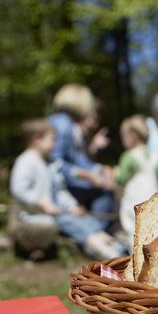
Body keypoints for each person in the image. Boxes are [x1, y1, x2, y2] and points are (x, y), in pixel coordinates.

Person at [11, 118, 127, 259]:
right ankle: (108, 253)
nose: (54, 146)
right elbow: (19, 190)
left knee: (87, 221)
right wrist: (41, 203)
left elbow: (60, 191)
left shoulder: (49, 163)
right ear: (37, 139)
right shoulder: (26, 161)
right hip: (37, 216)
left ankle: (115, 245)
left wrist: (73, 206)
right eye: (52, 140)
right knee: (76, 224)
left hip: (57, 212)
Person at [47, 83, 117, 216]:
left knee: (104, 189)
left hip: (64, 184)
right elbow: (54, 163)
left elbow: (80, 160)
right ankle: (97, 229)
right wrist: (87, 175)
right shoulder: (63, 125)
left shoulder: (67, 123)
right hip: (56, 188)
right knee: (104, 193)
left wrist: (100, 169)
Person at [116, 115, 158, 238]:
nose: (123, 140)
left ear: (133, 136)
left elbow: (120, 178)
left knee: (133, 234)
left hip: (132, 204)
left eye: (124, 136)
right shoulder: (156, 157)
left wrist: (115, 173)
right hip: (152, 203)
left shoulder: (128, 156)